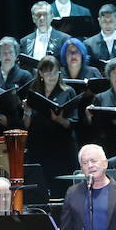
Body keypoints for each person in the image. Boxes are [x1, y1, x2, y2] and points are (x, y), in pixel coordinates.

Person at [22, 55, 77, 195]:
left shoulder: (68, 92)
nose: (51, 75)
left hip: (61, 150)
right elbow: (26, 126)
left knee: (61, 190)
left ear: (59, 72)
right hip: (38, 149)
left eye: (54, 71)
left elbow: (73, 122)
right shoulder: (33, 93)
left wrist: (58, 119)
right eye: (47, 72)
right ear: (40, 73)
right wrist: (27, 112)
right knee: (38, 191)